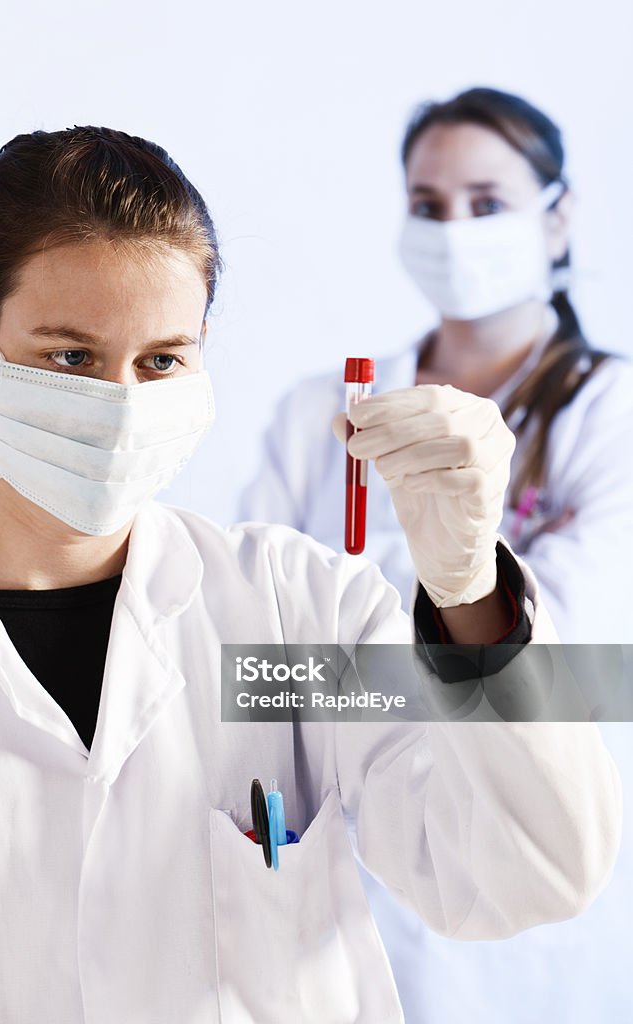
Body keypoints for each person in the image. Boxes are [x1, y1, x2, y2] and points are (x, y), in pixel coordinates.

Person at [0, 126, 621, 1024]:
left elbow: (525, 874)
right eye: (71, 358)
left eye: (161, 359)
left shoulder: (286, 618)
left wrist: (471, 590)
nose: (123, 406)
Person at [240, 88, 633, 1021]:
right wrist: (454, 629)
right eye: (428, 205)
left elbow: (583, 672)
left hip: (531, 879)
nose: (455, 229)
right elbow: (253, 661)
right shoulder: (321, 412)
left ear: (558, 213)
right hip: (344, 869)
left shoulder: (610, 417)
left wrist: (353, 655)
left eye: (487, 202)